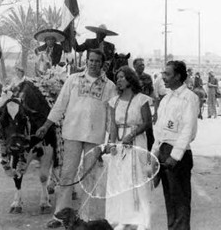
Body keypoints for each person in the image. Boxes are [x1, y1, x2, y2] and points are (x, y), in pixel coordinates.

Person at [36, 49, 117, 228]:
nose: (93, 64)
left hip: (95, 137)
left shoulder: (109, 86)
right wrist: (46, 125)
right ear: (86, 61)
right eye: (91, 60)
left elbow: (112, 116)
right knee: (67, 175)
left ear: (102, 64)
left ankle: (88, 216)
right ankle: (60, 216)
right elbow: (60, 105)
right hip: (72, 134)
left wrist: (111, 140)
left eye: (97, 61)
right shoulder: (73, 80)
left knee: (90, 178)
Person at [152, 60, 199, 230]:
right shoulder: (166, 98)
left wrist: (175, 156)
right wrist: (154, 153)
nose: (163, 77)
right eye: (163, 74)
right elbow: (159, 129)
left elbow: (188, 130)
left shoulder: (190, 98)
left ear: (178, 76)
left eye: (167, 74)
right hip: (164, 151)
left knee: (180, 201)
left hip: (178, 155)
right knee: (170, 199)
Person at [106, 66, 152, 230]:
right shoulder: (114, 101)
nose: (118, 80)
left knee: (137, 178)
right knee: (120, 181)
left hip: (136, 141)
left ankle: (141, 220)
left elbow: (147, 122)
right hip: (119, 143)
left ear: (131, 79)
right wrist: (112, 143)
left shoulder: (142, 99)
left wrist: (131, 135)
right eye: (117, 77)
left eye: (122, 77)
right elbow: (113, 124)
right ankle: (123, 218)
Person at [133, 58, 155, 150]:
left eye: (143, 65)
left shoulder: (148, 77)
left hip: (145, 106)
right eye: (139, 65)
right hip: (133, 106)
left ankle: (149, 152)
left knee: (149, 129)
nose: (142, 67)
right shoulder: (131, 77)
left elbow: (151, 91)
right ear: (134, 66)